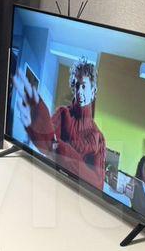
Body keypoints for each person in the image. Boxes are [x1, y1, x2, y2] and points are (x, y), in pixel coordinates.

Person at [12, 57, 106, 189]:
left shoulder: (99, 138)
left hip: (77, 194)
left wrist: (60, 148)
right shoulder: (63, 113)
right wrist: (38, 122)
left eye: (84, 86)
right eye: (77, 85)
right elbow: (47, 145)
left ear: (93, 91)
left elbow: (97, 183)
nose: (79, 91)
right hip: (51, 184)